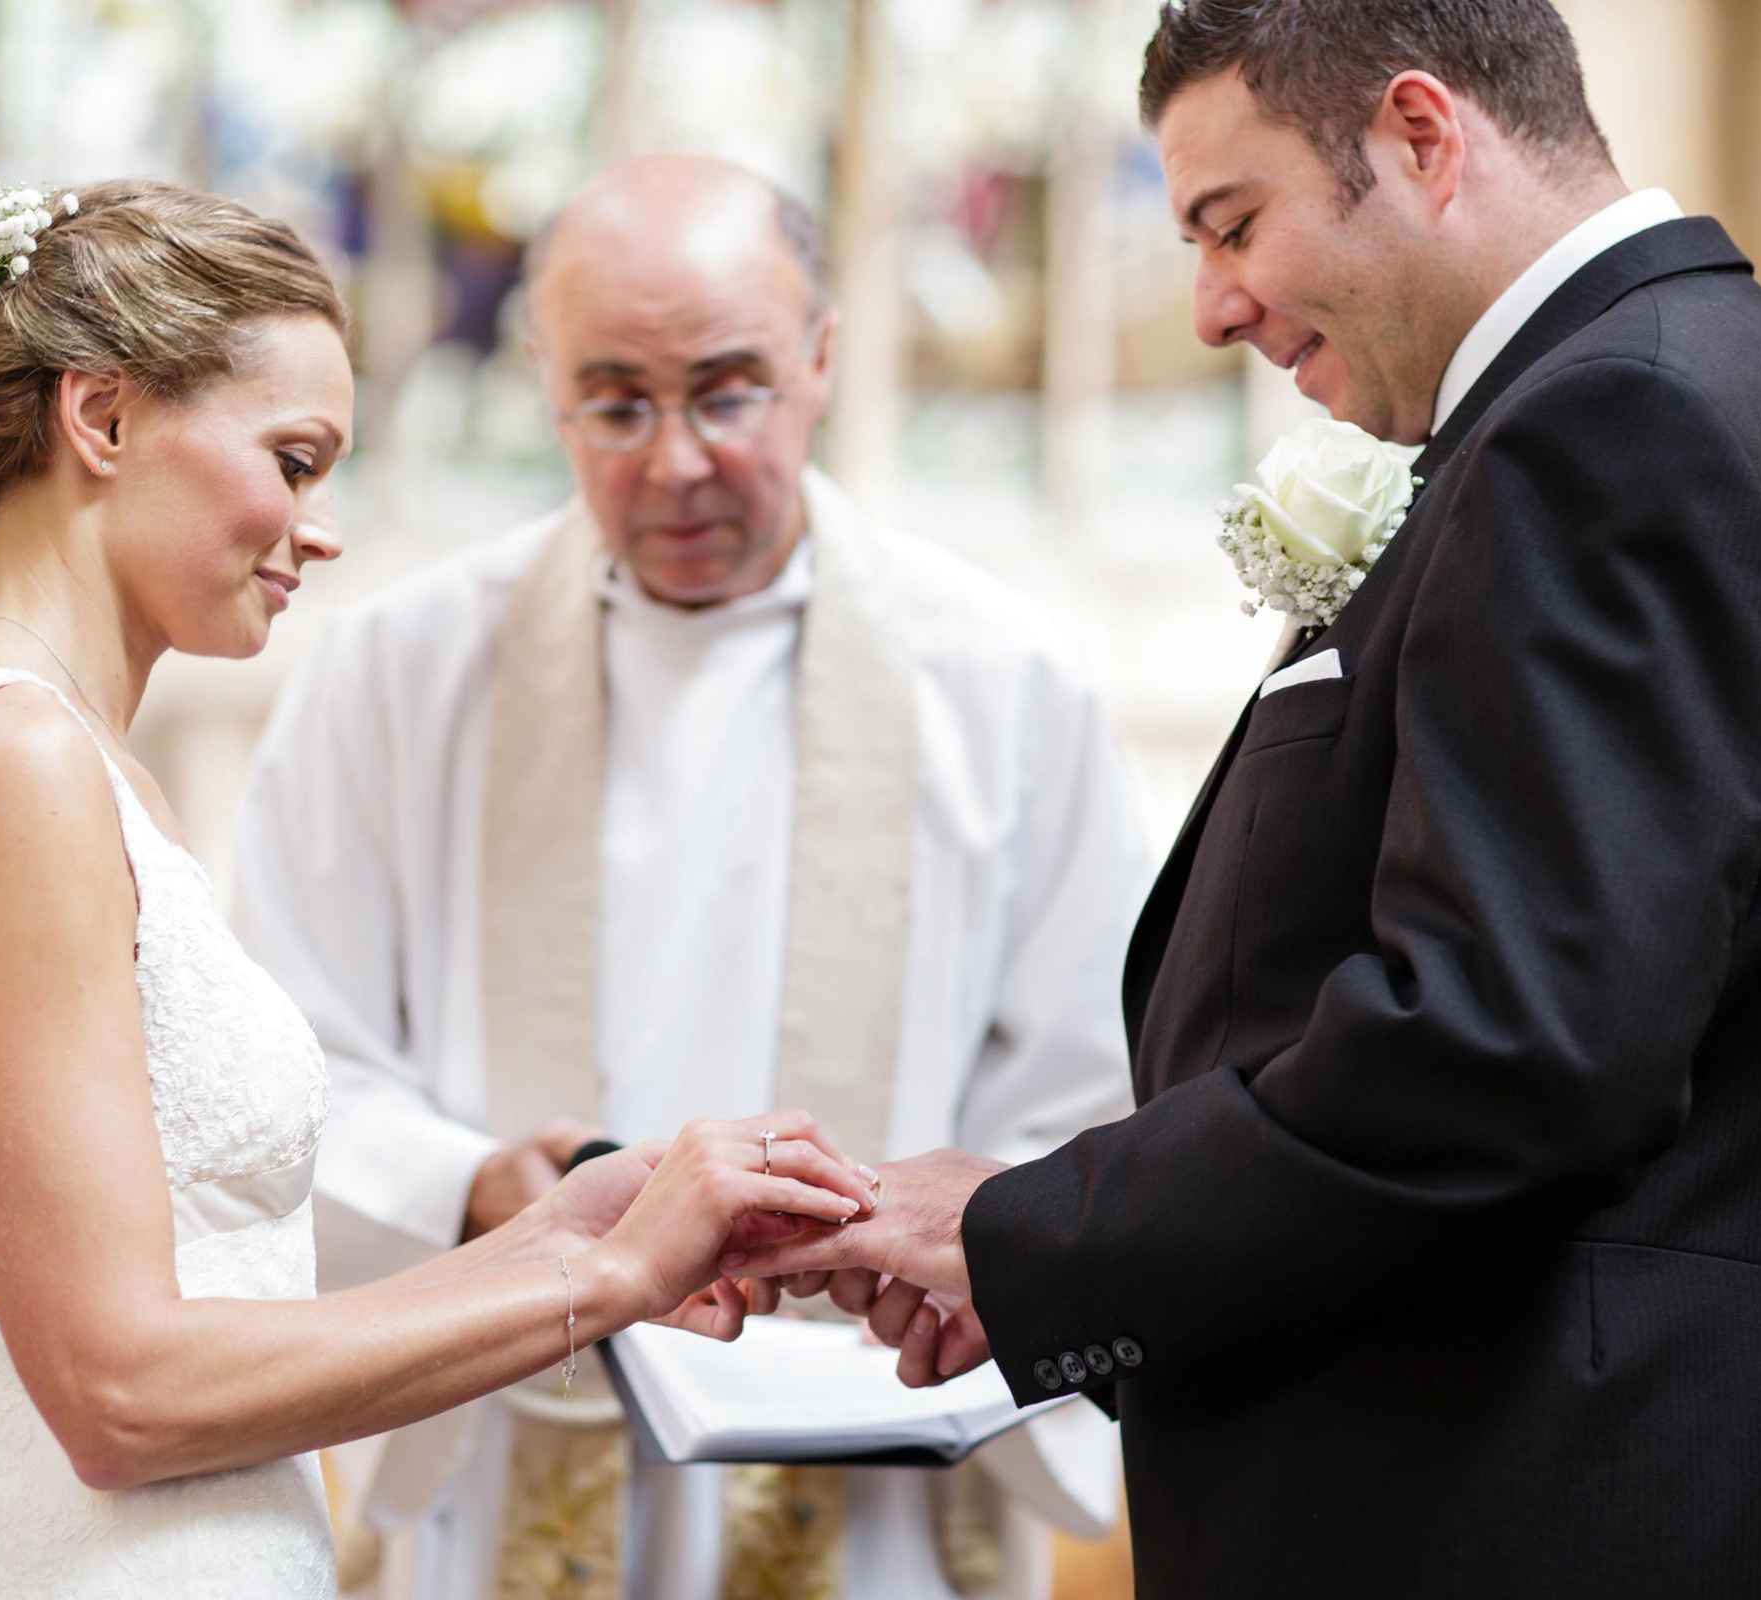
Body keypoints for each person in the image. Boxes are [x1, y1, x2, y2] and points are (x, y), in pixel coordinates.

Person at [730, 3, 1761, 1595]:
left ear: (1423, 137)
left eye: (1235, 225)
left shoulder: (1615, 421)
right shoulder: (1652, 388)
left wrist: (1037, 1234)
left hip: (1528, 1514)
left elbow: (1503, 1049)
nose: (1214, 306)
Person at [0, 177, 875, 1600]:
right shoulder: (10, 757)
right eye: (296, 458)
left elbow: (224, 1293)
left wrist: (568, 1230)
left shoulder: (86, 764)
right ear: (105, 419)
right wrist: (609, 1288)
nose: (319, 529)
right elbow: (122, 1391)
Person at [232, 153, 1149, 1599]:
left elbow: (1094, 1082)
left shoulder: (1002, 680)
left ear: (824, 360)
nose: (672, 461)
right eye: (613, 402)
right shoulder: (397, 674)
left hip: (881, 1460)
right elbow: (286, 1059)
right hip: (511, 1431)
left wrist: (941, 1236)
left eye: (727, 393)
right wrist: (476, 1184)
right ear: (542, 379)